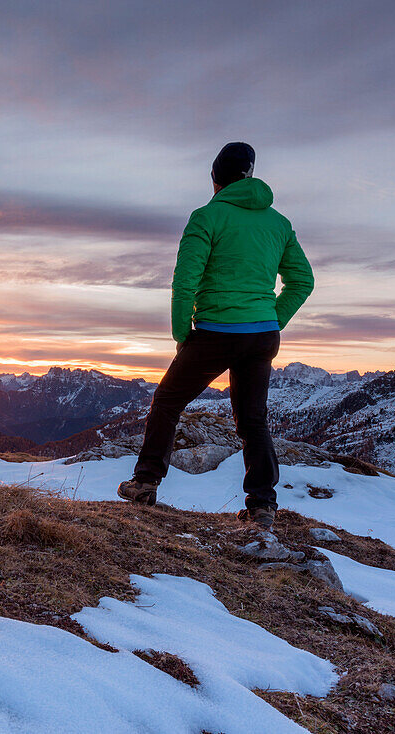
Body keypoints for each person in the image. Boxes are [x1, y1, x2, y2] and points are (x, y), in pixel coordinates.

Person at [117, 142, 314, 531]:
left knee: (168, 401)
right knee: (253, 419)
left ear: (215, 179)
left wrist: (181, 332)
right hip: (261, 336)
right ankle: (262, 506)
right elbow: (302, 280)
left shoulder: (207, 216)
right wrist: (271, 318)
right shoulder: (279, 223)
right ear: (250, 176)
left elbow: (185, 280)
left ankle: (144, 483)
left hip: (215, 331)